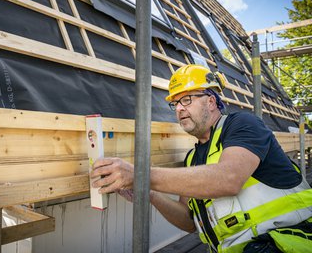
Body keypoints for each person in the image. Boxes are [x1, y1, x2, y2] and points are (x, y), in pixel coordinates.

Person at [90, 64, 312, 252]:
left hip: (286, 242)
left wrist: (139, 174)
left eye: (186, 99)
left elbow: (229, 179)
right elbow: (189, 222)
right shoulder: (193, 159)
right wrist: (149, 193)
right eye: (175, 103)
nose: (178, 109)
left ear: (211, 101)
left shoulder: (243, 124)